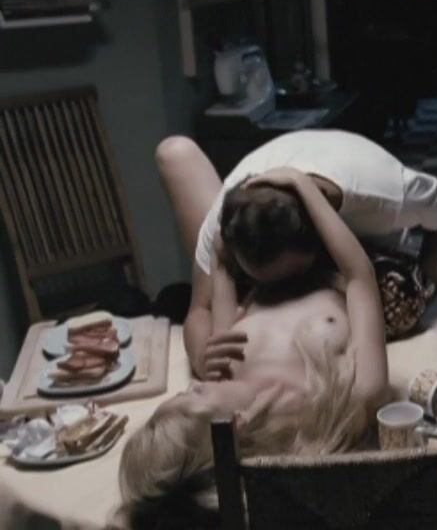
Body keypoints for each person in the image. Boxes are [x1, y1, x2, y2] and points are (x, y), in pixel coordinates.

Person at [118, 167, 389, 528]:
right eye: (194, 395)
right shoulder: (344, 398)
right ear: (235, 425)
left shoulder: (224, 372)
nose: (194, 382)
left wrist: (225, 245)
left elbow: (223, 270)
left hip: (259, 265)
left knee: (177, 156)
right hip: (324, 256)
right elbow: (359, 277)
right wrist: (302, 186)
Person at [154, 130, 437, 380]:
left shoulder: (385, 194)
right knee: (172, 152)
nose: (286, 298)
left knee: (432, 284)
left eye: (293, 280)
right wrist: (203, 357)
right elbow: (200, 310)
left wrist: (428, 265)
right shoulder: (222, 228)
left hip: (364, 224)